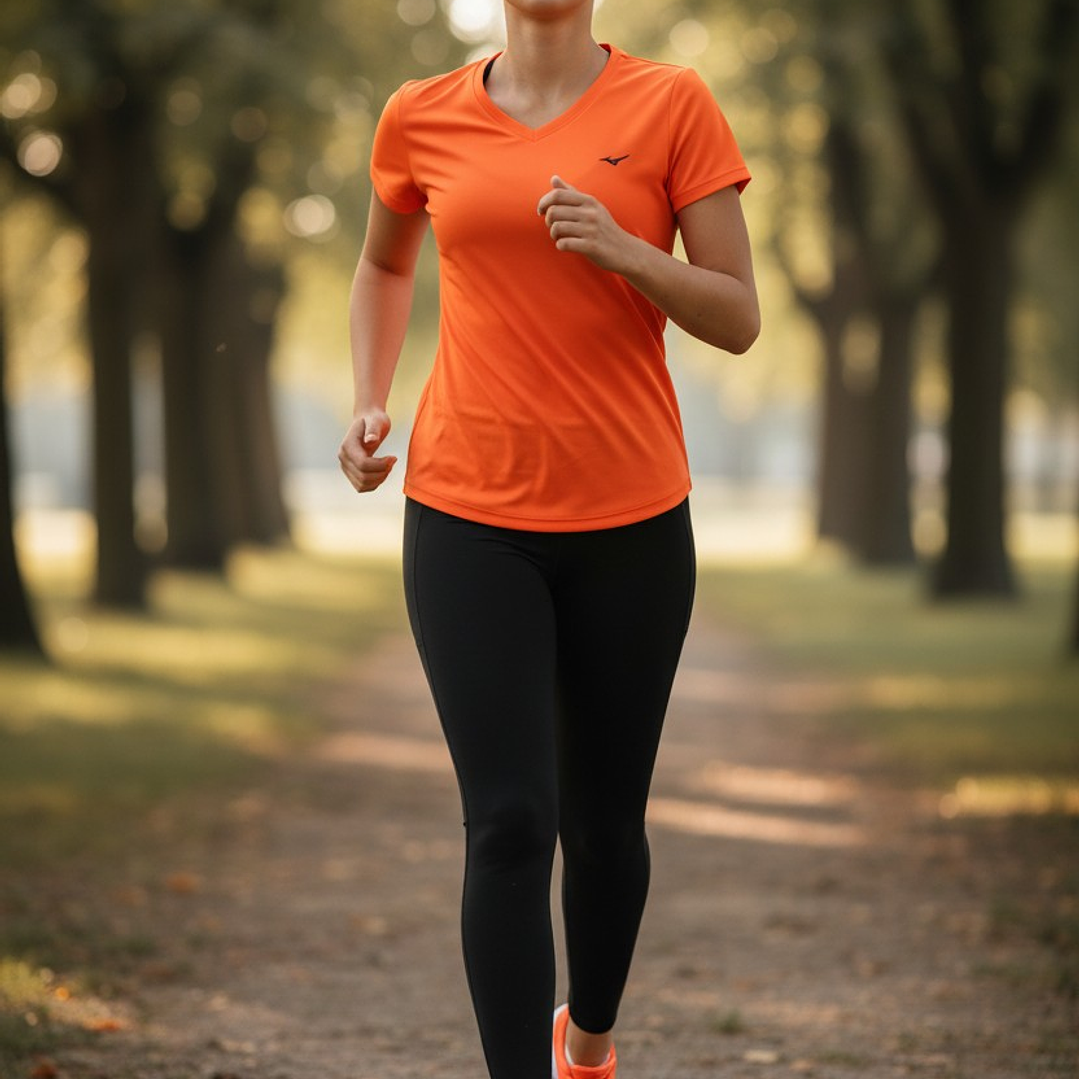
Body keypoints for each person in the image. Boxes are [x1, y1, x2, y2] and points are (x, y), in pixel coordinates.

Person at [338, 1, 759, 1077]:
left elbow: (735, 312)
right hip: (466, 513)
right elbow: (387, 266)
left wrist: (626, 252)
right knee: (510, 821)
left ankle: (591, 1034)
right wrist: (368, 398)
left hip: (630, 513)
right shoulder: (418, 115)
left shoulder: (671, 103)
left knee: (604, 826)